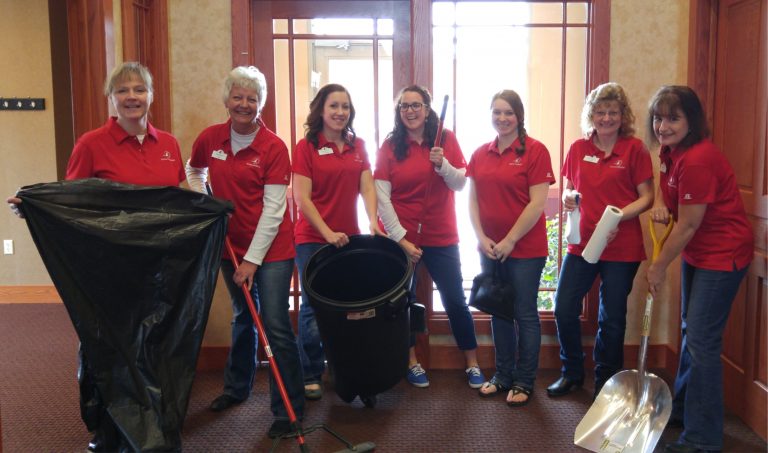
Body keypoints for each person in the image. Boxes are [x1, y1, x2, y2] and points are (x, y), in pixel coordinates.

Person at [7, 61, 186, 452]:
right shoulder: (92, 144)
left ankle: (152, 422)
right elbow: (71, 201)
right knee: (108, 347)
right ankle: (108, 430)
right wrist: (33, 207)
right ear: (111, 99)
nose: (132, 97)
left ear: (151, 96)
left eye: (139, 89)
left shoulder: (169, 145)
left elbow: (179, 204)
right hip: (109, 269)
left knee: (153, 344)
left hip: (157, 270)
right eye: (123, 90)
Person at [185, 66, 304, 438]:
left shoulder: (273, 147)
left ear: (260, 104)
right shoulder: (210, 138)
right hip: (229, 245)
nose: (244, 104)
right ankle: (237, 389)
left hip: (272, 249)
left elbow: (274, 209)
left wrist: (252, 261)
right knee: (242, 316)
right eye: (237, 97)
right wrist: (206, 200)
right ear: (227, 101)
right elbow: (194, 170)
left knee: (274, 322)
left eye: (252, 98)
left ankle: (288, 409)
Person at [646, 86, 753, 453]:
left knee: (703, 342)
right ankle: (683, 410)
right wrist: (661, 203)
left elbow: (689, 225)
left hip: (723, 256)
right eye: (659, 117)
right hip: (698, 254)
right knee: (691, 331)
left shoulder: (698, 160)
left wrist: (658, 267)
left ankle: (703, 437)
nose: (663, 126)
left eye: (673, 118)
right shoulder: (670, 152)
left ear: (692, 121)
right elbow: (667, 186)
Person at [547, 82, 654, 399]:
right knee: (564, 307)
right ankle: (572, 372)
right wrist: (568, 198)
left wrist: (618, 215)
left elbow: (647, 198)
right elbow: (570, 186)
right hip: (582, 244)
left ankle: (607, 381)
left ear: (623, 116)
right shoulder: (578, 148)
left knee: (612, 318)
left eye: (613, 112)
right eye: (600, 112)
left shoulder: (635, 149)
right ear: (591, 115)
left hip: (621, 246)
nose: (606, 118)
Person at [374, 85, 484, 389]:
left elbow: (461, 183)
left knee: (455, 301)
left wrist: (442, 165)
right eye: (404, 106)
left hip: (442, 235)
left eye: (416, 105)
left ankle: (472, 362)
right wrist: (402, 241)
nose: (410, 111)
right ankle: (411, 361)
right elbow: (382, 199)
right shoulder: (390, 147)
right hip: (403, 240)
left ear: (427, 108)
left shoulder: (445, 140)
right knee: (403, 303)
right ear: (398, 112)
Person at [292, 84, 385, 401]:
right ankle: (311, 373)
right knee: (313, 307)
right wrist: (327, 233)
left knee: (349, 308)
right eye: (334, 106)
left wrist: (372, 219)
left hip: (348, 240)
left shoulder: (357, 145)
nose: (340, 112)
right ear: (320, 110)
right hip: (313, 239)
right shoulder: (305, 147)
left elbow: (368, 188)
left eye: (345, 107)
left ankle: (346, 370)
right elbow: (302, 198)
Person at [468, 90, 554, 406]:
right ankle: (502, 376)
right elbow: (473, 200)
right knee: (498, 311)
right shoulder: (480, 153)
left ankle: (524, 380)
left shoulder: (535, 151)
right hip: (489, 248)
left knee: (524, 313)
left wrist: (510, 240)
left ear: (519, 116)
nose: (502, 118)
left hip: (525, 249)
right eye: (496, 112)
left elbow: (537, 203)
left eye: (508, 113)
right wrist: (480, 236)